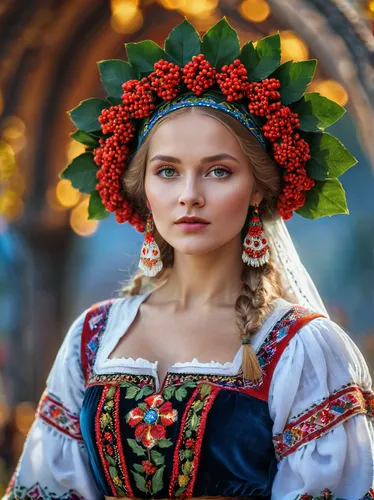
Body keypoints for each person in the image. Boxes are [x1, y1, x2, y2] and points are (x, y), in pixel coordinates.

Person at [3, 18, 374, 500]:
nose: (189, 196)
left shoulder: (302, 349)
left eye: (218, 171)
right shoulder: (92, 337)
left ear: (258, 188)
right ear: (143, 189)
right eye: (168, 171)